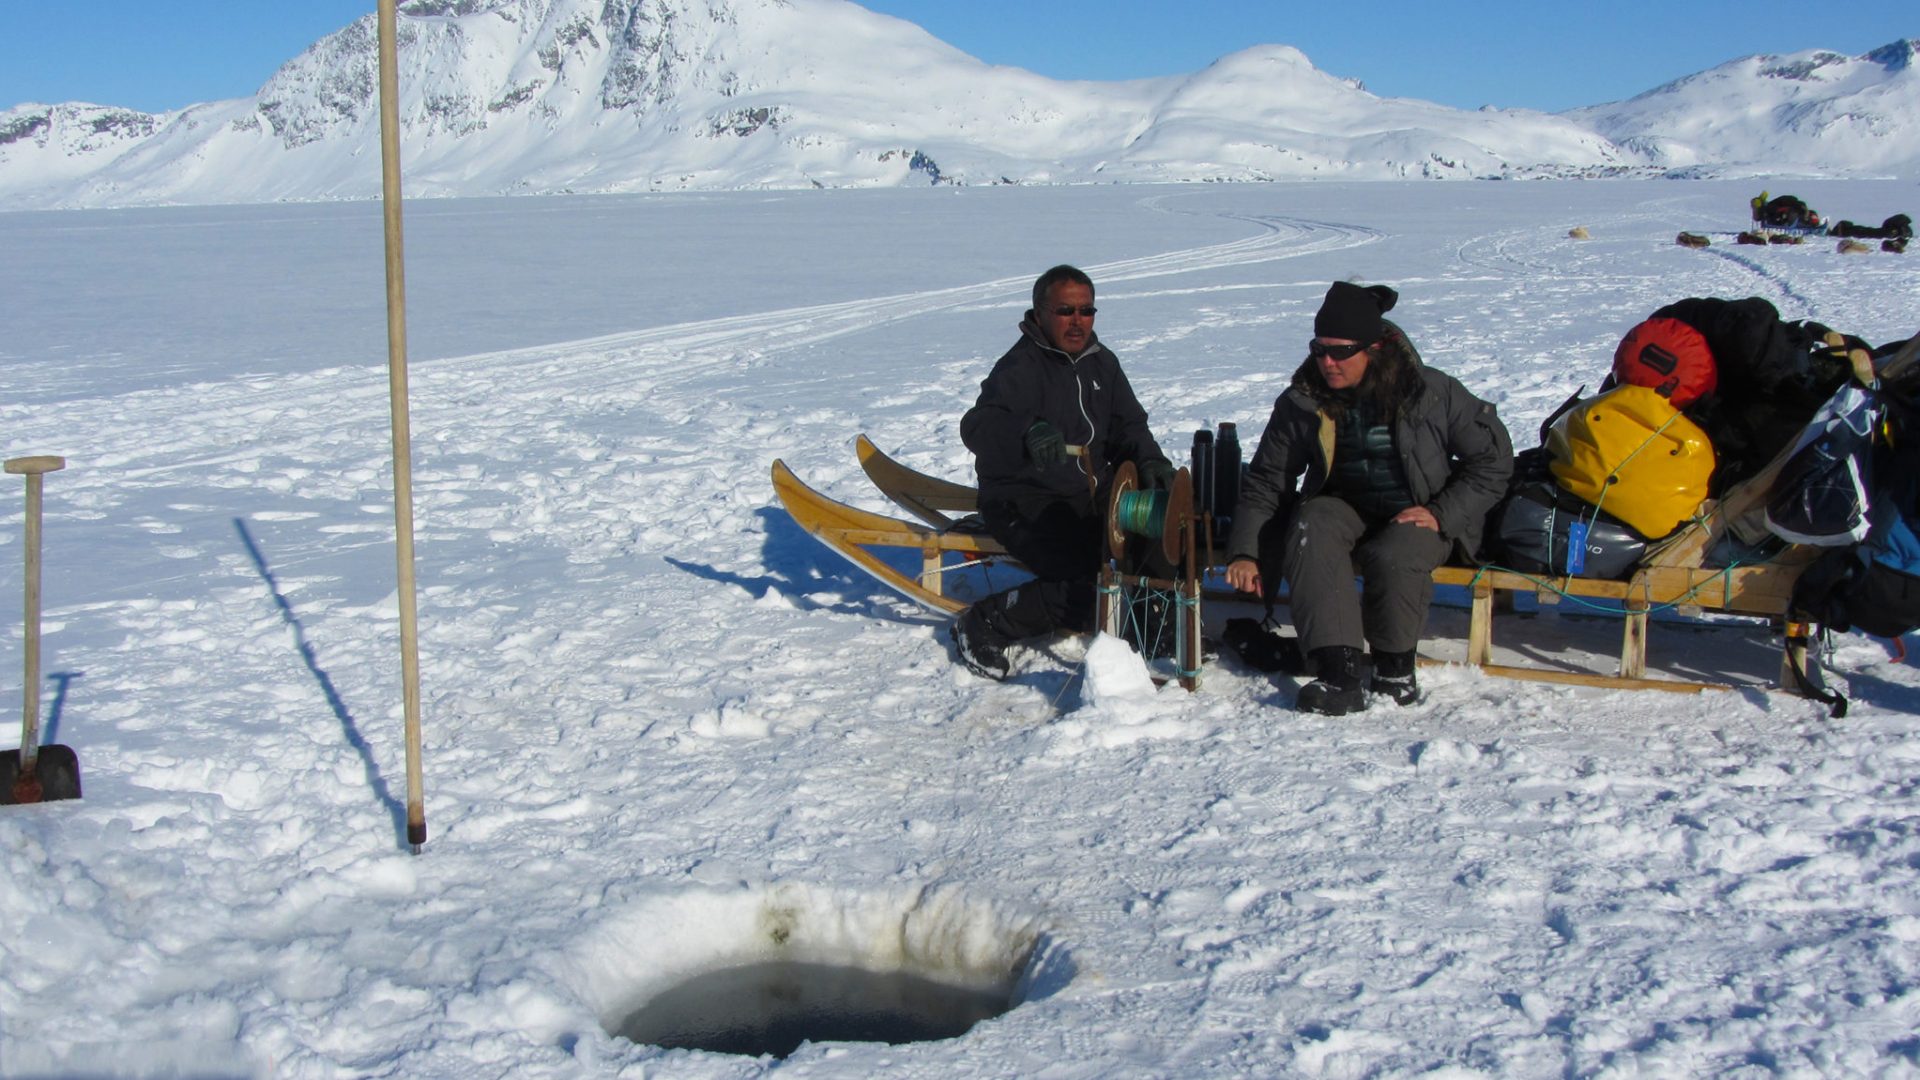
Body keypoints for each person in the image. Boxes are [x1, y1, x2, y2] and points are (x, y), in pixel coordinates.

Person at [1223, 281, 1513, 714]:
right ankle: (1337, 671)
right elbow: (1268, 478)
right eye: (1318, 349)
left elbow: (1493, 460)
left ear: (1373, 347)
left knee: (1395, 551)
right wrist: (1245, 551)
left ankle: (1395, 669)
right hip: (1343, 506)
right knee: (1311, 522)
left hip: (1419, 509)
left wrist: (1442, 513)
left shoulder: (1432, 392)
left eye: (1340, 351)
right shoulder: (1303, 402)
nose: (1327, 361)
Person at [952, 265, 1174, 680]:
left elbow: (1130, 426)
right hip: (1023, 497)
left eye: (1087, 311)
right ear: (1039, 314)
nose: (1078, 321)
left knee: (1159, 534)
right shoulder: (1021, 367)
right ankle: (985, 622)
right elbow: (977, 425)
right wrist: (1027, 432)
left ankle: (1153, 625)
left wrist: (1150, 460)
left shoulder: (1102, 363)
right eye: (1065, 311)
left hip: (1089, 493)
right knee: (1089, 588)